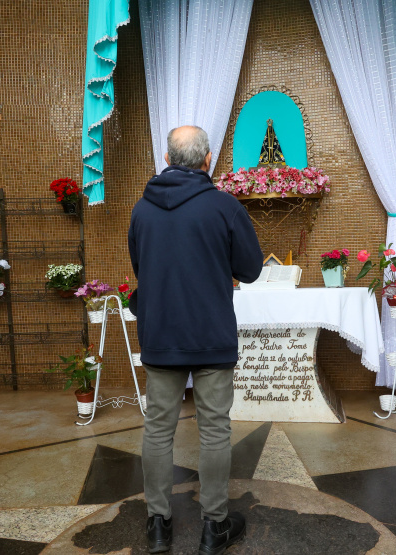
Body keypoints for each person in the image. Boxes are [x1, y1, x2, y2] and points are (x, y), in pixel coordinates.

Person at [128, 125, 263, 554]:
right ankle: (214, 527)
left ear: (166, 160)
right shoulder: (224, 207)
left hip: (161, 331)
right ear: (208, 161)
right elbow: (251, 269)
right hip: (210, 333)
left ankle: (158, 525)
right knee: (215, 431)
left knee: (157, 430)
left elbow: (141, 267)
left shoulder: (141, 210)